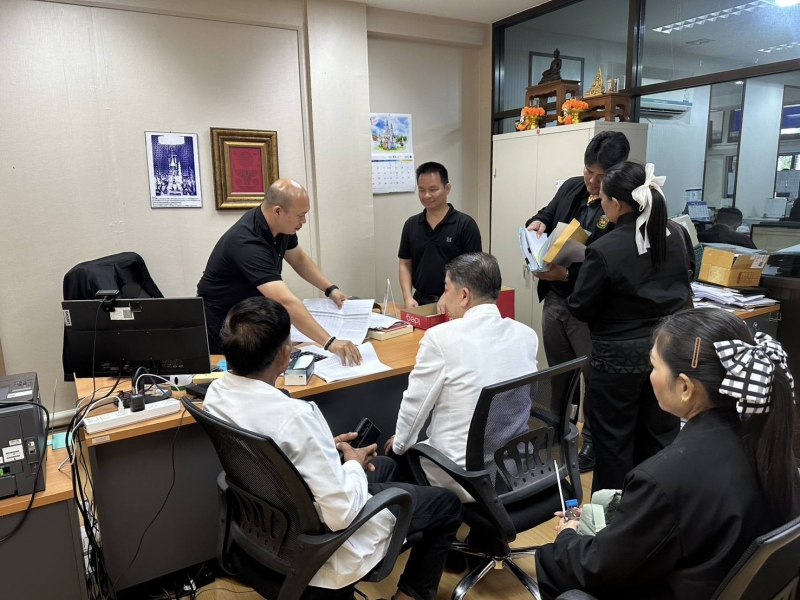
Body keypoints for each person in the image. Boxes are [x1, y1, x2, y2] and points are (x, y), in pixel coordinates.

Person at [203, 297, 464, 600]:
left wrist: (324, 446)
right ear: (286, 356)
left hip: (268, 529)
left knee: (387, 466)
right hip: (317, 546)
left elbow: (274, 455)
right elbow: (341, 515)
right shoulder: (295, 417)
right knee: (447, 504)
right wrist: (351, 462)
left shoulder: (216, 393)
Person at [535, 308, 800, 600]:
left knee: (553, 560)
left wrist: (568, 534)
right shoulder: (769, 445)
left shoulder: (665, 477)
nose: (650, 377)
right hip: (721, 578)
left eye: (654, 366)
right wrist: (630, 517)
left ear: (685, 386)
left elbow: (597, 568)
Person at [567, 162, 693, 493]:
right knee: (661, 436)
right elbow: (685, 280)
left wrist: (567, 277)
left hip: (618, 360)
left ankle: (615, 515)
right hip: (667, 351)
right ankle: (658, 507)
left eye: (603, 198)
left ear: (617, 204)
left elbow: (581, 307)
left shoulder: (605, 248)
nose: (600, 203)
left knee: (613, 443)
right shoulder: (676, 234)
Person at [386, 252, 539, 501]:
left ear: (464, 295)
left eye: (446, 290)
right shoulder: (527, 335)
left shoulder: (440, 338)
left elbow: (415, 406)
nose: (444, 300)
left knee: (396, 460)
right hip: (518, 469)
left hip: (463, 476)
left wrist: (399, 446)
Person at [525, 131, 631, 473]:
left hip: (590, 309)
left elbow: (613, 264)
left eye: (602, 176)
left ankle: (593, 444)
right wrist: (538, 223)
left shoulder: (622, 205)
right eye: (589, 171)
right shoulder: (572, 187)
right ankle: (559, 431)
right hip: (555, 300)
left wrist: (567, 275)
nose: (593, 181)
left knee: (593, 378)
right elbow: (546, 212)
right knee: (560, 374)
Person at [197, 179, 361, 365]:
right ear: (278, 211)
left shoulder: (280, 227)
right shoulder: (247, 243)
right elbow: (285, 301)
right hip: (223, 323)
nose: (304, 221)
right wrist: (329, 342)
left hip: (250, 316)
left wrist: (330, 289)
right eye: (300, 215)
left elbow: (299, 259)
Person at [399, 162, 482, 314]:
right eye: (422, 190)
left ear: (447, 188)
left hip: (457, 303)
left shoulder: (465, 225)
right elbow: (405, 263)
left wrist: (448, 294)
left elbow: (472, 269)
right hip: (420, 302)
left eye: (433, 189)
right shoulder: (411, 224)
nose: (426, 195)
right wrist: (407, 297)